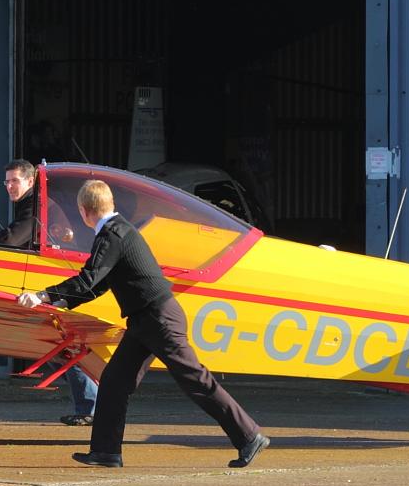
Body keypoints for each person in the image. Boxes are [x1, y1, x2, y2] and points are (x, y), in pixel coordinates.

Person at [18, 179, 269, 469]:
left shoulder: (112, 235)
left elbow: (88, 280)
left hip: (158, 318)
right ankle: (105, 452)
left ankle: (249, 435)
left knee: (195, 379)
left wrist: (43, 295)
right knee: (114, 382)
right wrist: (54, 300)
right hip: (145, 319)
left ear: (84, 212)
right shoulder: (118, 231)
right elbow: (97, 285)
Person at [0, 158, 97, 422]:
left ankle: (91, 408)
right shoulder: (31, 203)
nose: (9, 186)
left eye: (15, 181)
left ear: (31, 181)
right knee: (59, 346)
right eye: (6, 182)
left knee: (62, 344)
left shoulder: (35, 204)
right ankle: (89, 407)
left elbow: (13, 238)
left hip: (57, 282)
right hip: (54, 280)